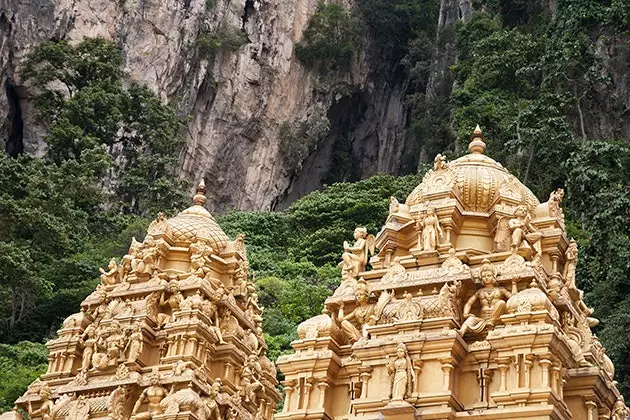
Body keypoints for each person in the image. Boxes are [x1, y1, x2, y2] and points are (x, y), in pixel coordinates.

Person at [459, 260, 511, 336]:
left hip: (497, 319)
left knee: (501, 303)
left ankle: (492, 321)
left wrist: (513, 284)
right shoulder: (480, 292)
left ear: (493, 276)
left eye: (489, 275)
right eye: (484, 276)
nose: (486, 278)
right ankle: (461, 331)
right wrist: (465, 313)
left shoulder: (500, 289)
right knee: (470, 319)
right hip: (483, 320)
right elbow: (469, 303)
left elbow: (513, 299)